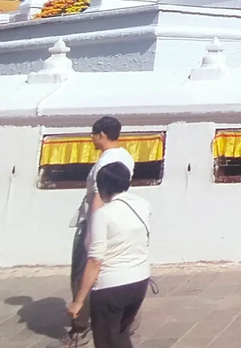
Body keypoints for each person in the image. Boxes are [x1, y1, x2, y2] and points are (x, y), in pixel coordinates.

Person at [64, 117, 137, 347]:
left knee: (82, 273)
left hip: (98, 221)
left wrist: (92, 232)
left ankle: (80, 326)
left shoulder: (107, 160)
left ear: (102, 135)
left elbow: (99, 196)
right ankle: (123, 322)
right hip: (118, 220)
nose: (91, 138)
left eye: (93, 134)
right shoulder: (125, 155)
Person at [66, 162, 151, 348]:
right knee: (120, 334)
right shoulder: (142, 205)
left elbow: (95, 261)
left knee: (106, 341)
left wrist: (78, 301)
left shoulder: (103, 215)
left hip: (111, 287)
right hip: (139, 281)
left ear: (103, 187)